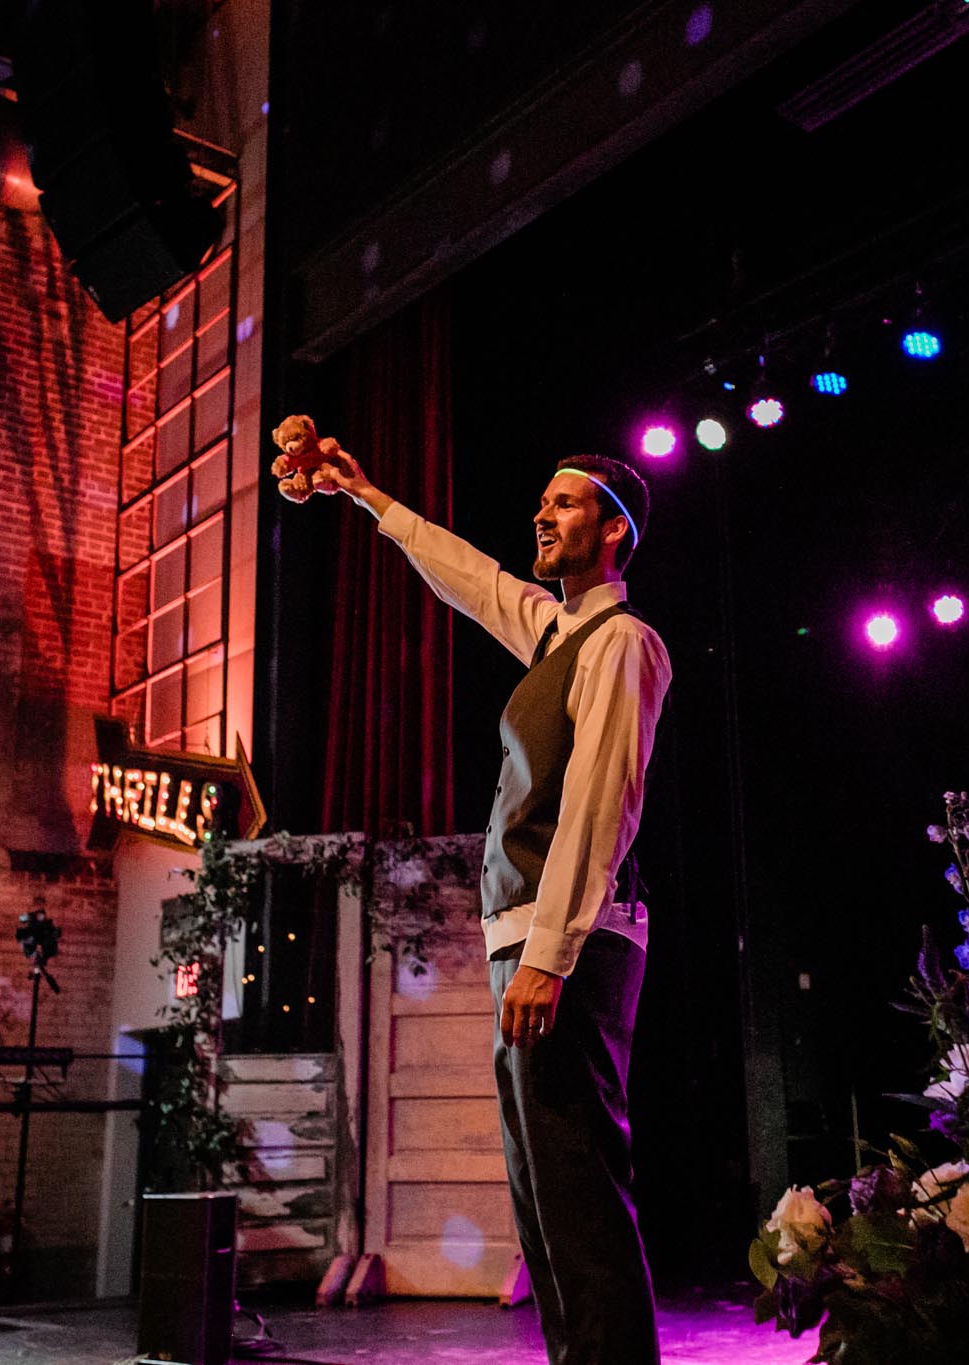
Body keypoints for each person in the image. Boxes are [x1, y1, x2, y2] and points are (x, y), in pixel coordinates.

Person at [308, 441, 671, 1365]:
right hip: (532, 940)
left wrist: (549, 954)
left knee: (579, 1189)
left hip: (574, 945)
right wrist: (362, 490)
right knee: (541, 1190)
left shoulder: (622, 641)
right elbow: (471, 577)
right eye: (540, 499)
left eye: (565, 502)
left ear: (615, 528)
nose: (542, 515)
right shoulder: (559, 635)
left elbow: (601, 801)